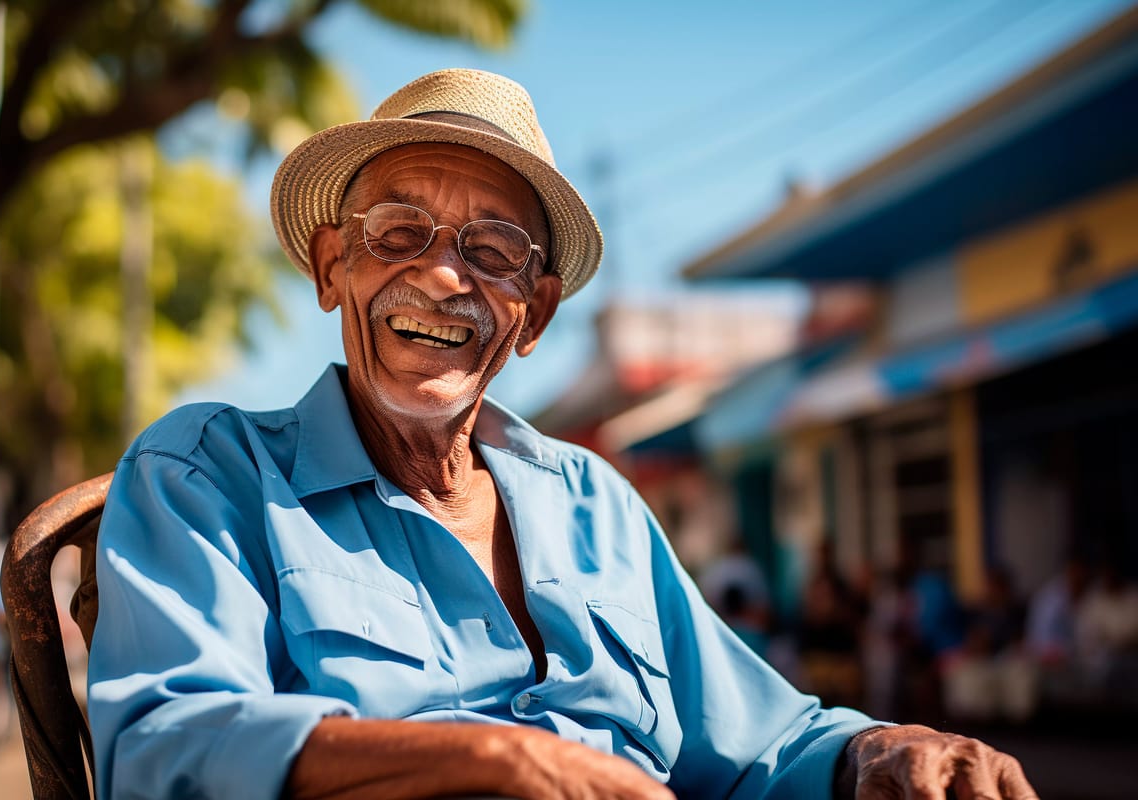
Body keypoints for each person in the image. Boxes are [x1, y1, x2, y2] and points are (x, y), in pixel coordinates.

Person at [87, 69, 1037, 800]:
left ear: (533, 317)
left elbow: (761, 742)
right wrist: (496, 763)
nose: (446, 279)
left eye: (492, 253)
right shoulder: (208, 473)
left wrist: (880, 749)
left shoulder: (595, 503)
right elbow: (163, 746)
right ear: (333, 264)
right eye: (397, 233)